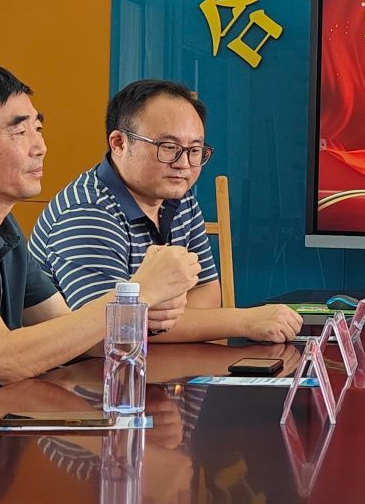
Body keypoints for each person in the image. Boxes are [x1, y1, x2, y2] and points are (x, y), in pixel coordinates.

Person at [0, 63, 199, 384]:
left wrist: (143, 313)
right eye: (19, 132)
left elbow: (73, 335)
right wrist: (135, 295)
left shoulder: (2, 223)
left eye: (38, 129)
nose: (40, 148)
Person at [30, 79, 301, 344]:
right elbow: (107, 330)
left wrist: (149, 315)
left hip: (156, 363)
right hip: (85, 370)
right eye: (169, 148)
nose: (184, 164)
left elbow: (207, 292)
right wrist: (244, 321)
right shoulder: (87, 212)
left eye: (195, 150)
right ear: (119, 143)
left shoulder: (179, 196)